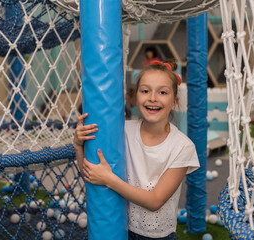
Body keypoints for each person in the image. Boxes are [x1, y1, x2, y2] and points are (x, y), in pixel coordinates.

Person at [73, 60, 199, 240]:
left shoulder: (182, 147)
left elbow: (155, 200)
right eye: (145, 91)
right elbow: (92, 173)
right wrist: (78, 145)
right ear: (136, 96)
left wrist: (109, 179)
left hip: (157, 236)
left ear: (174, 102)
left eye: (162, 92)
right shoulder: (122, 131)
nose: (153, 98)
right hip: (120, 227)